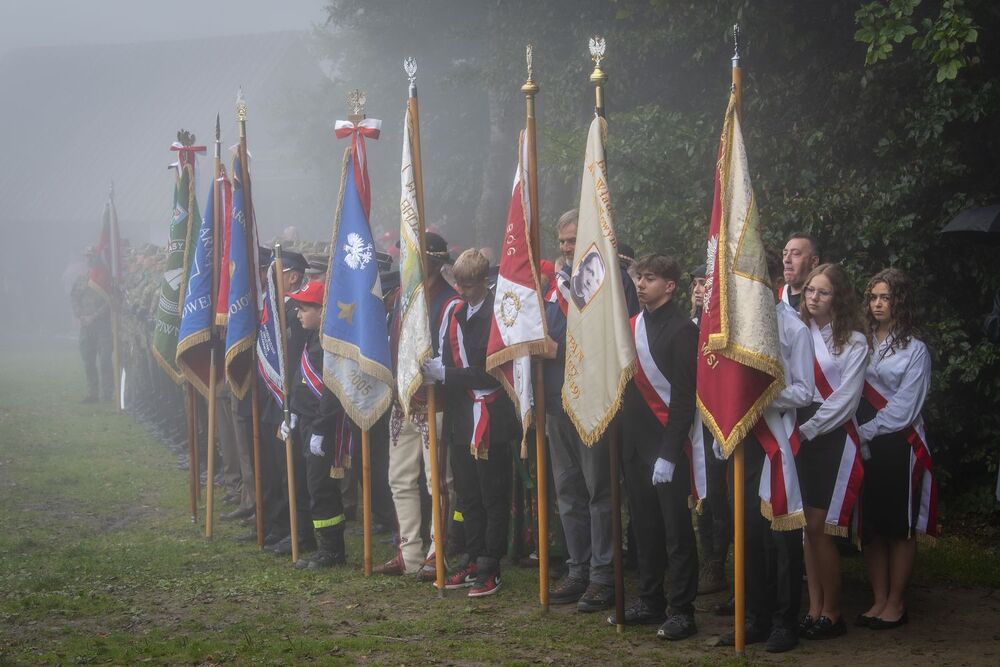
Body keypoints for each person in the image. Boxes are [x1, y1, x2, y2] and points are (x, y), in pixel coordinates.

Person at [719, 247, 814, 653]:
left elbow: (804, 391)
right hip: (742, 440)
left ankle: (784, 621)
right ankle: (754, 617)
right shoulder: (732, 330)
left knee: (781, 535)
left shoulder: (793, 328)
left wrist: (760, 397)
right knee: (746, 535)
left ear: (770, 279)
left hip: (776, 442)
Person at [423, 248, 520, 597]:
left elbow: (493, 372)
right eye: (458, 283)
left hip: (491, 415)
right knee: (468, 494)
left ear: (483, 280)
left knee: (493, 495)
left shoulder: (498, 314)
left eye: (468, 285)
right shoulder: (456, 313)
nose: (461, 290)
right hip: (463, 416)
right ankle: (472, 557)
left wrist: (446, 373)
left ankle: (491, 565)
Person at [613, 254, 699, 641]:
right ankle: (650, 599)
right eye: (640, 277)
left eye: (650, 278)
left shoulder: (682, 331)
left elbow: (683, 398)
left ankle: (682, 609)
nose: (642, 284)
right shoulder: (631, 326)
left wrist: (669, 451)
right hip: (635, 445)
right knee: (644, 528)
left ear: (670, 286)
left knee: (676, 531)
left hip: (668, 447)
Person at [375, 232, 462, 578]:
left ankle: (435, 551)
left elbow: (455, 353)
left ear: (431, 261)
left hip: (434, 402)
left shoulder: (450, 302)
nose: (404, 260)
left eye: (412, 255)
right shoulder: (400, 296)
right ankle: (408, 553)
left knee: (437, 481)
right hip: (403, 401)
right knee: (399, 478)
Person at [542, 214, 615, 613]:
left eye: (573, 240)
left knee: (597, 491)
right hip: (557, 403)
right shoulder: (552, 287)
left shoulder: (606, 282)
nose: (567, 248)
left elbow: (610, 342)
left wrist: (560, 351)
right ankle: (578, 567)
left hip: (591, 403)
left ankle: (604, 575)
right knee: (567, 492)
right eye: (563, 241)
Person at [856, 268, 936, 629]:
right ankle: (877, 599)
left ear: (899, 301)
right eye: (873, 297)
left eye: (885, 297)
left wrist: (867, 430)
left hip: (897, 444)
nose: (877, 304)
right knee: (871, 524)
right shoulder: (859, 340)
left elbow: (906, 406)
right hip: (862, 443)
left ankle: (896, 602)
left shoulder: (916, 350)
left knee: (898, 527)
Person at [796, 263, 868, 640]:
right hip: (798, 436)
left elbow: (846, 400)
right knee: (806, 530)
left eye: (823, 292)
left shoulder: (854, 341)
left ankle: (833, 612)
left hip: (831, 437)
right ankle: (813, 607)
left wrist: (807, 430)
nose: (814, 297)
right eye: (810, 290)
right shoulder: (795, 331)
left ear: (838, 297)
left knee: (821, 528)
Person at [282, 280, 352, 569]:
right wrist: (294, 414)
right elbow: (302, 383)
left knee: (322, 487)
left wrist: (321, 429)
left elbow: (332, 391)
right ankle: (324, 545)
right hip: (308, 422)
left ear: (323, 310)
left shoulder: (328, 343)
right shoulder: (312, 338)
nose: (298, 314)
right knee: (312, 485)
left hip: (324, 427)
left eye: (305, 308)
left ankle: (332, 551)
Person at [781, 233, 820, 311]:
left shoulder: (824, 303)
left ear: (813, 262)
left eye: (795, 253)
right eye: (785, 254)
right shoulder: (773, 297)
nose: (786, 260)